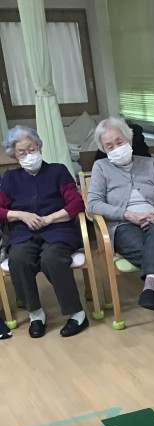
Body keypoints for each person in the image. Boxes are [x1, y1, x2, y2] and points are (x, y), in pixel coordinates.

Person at [86, 117, 154, 343]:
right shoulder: (101, 168)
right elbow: (93, 204)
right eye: (109, 146)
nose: (115, 148)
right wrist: (127, 214)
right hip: (124, 225)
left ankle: (151, 287)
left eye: (119, 142)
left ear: (128, 140)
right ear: (103, 149)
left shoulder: (151, 163)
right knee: (153, 252)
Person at [0, 125, 87, 338]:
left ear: (39, 146)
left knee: (52, 259)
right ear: (14, 155)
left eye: (32, 149)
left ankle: (77, 314)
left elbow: (76, 203)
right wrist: (20, 215)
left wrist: (50, 218)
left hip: (58, 230)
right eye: (22, 152)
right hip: (24, 233)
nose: (29, 155)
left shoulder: (58, 171)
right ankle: (36, 315)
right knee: (19, 259)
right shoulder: (10, 178)